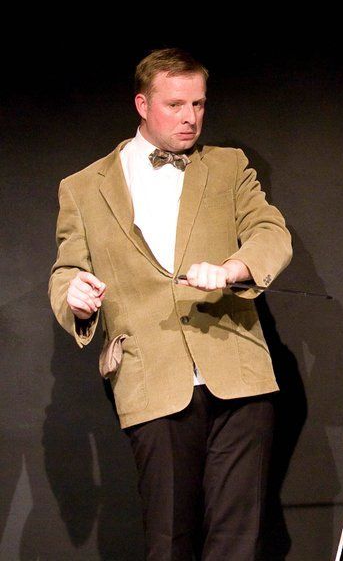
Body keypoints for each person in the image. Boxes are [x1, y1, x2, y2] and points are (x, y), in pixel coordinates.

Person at [49, 48, 292, 560]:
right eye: (175, 105)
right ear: (142, 104)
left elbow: (270, 232)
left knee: (238, 540)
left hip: (238, 373)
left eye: (198, 104)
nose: (190, 118)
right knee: (169, 539)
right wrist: (74, 297)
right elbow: (67, 268)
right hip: (151, 376)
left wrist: (233, 268)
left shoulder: (228, 166)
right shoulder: (83, 188)